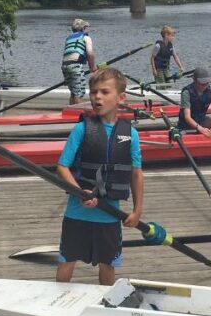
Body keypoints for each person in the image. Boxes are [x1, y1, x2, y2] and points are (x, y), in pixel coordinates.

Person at [55, 67, 144, 285]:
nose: (97, 97)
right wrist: (79, 192)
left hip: (109, 215)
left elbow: (136, 174)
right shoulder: (82, 129)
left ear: (120, 98)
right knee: (67, 262)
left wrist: (137, 210)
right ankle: (57, 303)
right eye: (93, 92)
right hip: (78, 214)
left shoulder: (129, 134)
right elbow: (62, 167)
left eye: (105, 92)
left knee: (109, 265)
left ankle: (106, 303)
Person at [178, 67, 211, 136]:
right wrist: (201, 129)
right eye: (201, 83)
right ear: (194, 80)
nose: (204, 86)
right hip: (186, 125)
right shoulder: (187, 92)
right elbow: (187, 118)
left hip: (201, 121)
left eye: (206, 83)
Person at [61, 18, 96, 105]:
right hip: (75, 66)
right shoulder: (86, 37)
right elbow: (90, 53)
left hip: (65, 66)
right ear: (83, 28)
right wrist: (92, 68)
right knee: (78, 93)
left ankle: (71, 112)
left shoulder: (68, 38)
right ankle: (79, 113)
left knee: (73, 92)